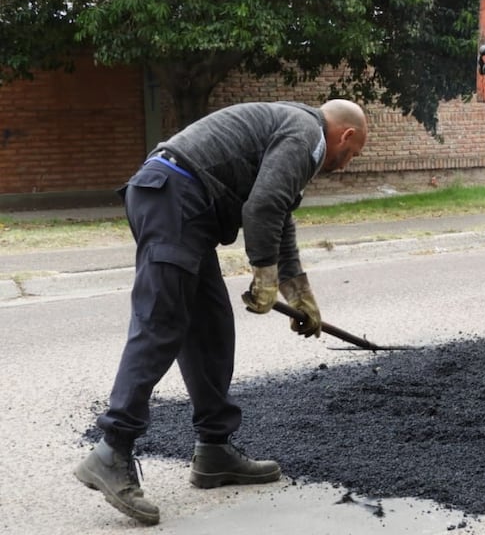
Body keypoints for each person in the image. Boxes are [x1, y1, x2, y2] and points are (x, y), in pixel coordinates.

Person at [74, 99, 368, 525]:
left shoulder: (293, 129)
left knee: (210, 326)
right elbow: (263, 206)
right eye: (353, 154)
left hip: (183, 205)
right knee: (161, 324)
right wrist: (264, 278)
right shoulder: (309, 137)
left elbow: (278, 211)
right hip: (173, 198)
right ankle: (111, 450)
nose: (348, 162)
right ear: (345, 136)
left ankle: (214, 451)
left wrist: (298, 291)